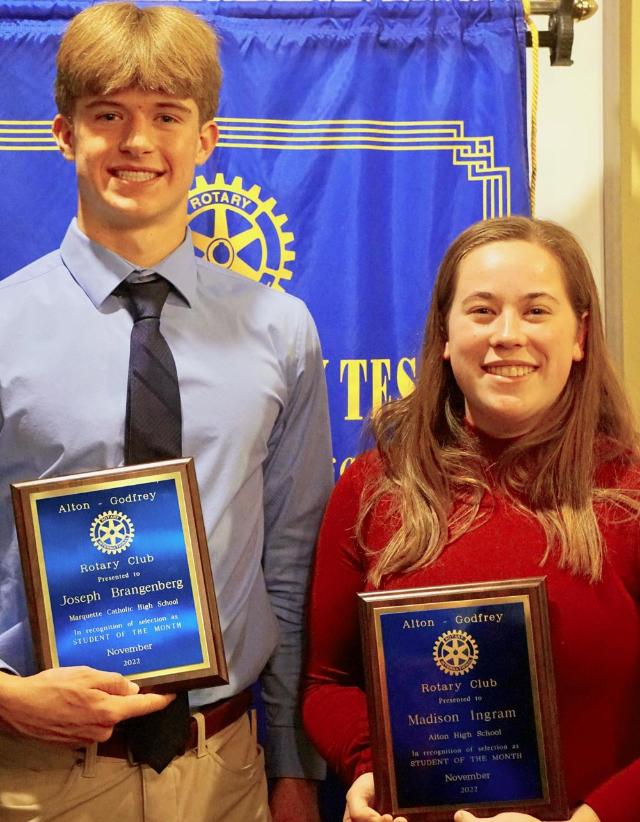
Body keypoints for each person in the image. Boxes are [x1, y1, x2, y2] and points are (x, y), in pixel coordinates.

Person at [0, 4, 333, 821]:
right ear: (64, 133)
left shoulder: (281, 331)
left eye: (165, 117)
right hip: (37, 776)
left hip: (225, 772)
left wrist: (290, 762)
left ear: (206, 139)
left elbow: (287, 568)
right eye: (107, 114)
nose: (137, 142)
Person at [302, 216, 640, 822]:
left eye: (537, 311)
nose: (507, 335)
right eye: (482, 311)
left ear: (580, 334)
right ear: (445, 334)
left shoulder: (632, 493)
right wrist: (369, 768)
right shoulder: (372, 486)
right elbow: (328, 683)